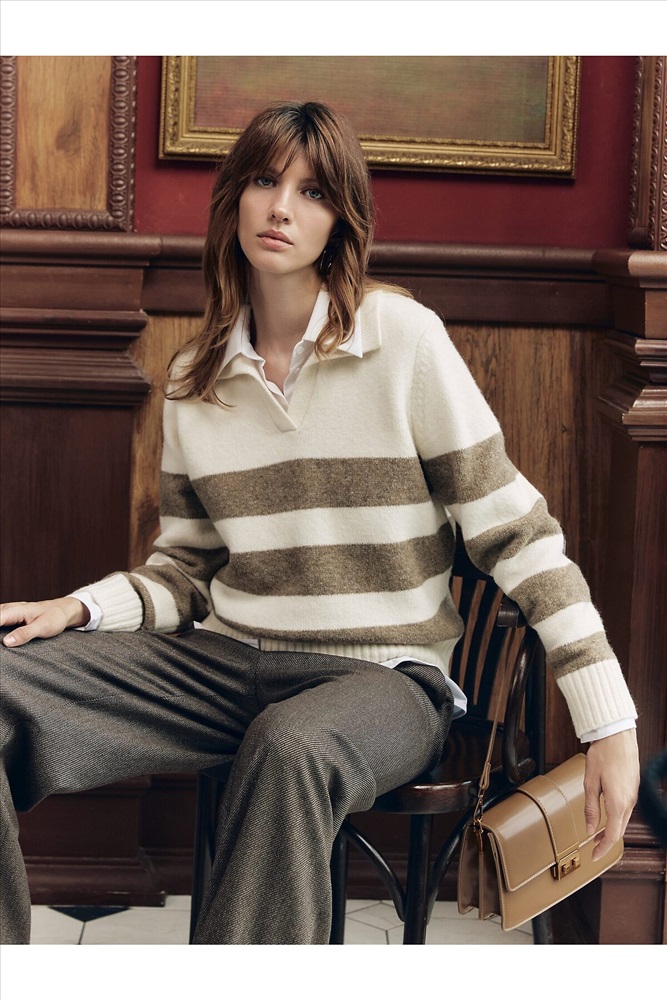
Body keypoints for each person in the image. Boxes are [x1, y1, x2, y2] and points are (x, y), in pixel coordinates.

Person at [0, 101, 639, 946]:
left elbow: (516, 536)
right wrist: (79, 609)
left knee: (290, 744)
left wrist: (607, 722)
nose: (280, 208)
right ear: (233, 198)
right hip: (228, 664)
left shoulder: (402, 340)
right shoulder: (197, 378)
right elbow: (186, 572)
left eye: (311, 192)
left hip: (388, 678)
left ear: (340, 220)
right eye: (264, 181)